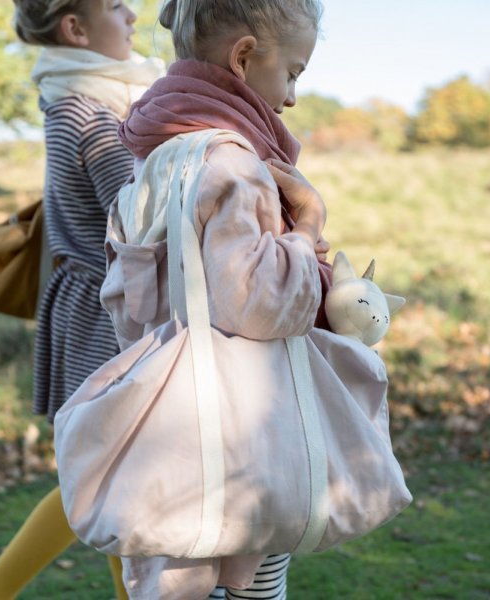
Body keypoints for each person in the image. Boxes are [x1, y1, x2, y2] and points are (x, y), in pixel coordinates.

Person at [101, 0, 329, 597]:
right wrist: (307, 227)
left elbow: (126, 300)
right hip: (247, 427)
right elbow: (261, 304)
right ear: (245, 57)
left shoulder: (152, 158)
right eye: (294, 73)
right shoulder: (232, 163)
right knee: (259, 581)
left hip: (170, 420)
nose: (292, 97)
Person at [0, 1, 164, 599]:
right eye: (114, 5)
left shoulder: (84, 95)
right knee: (101, 477)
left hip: (99, 303)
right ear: (75, 28)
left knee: (106, 478)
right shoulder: (87, 106)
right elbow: (135, 210)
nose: (131, 13)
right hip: (102, 310)